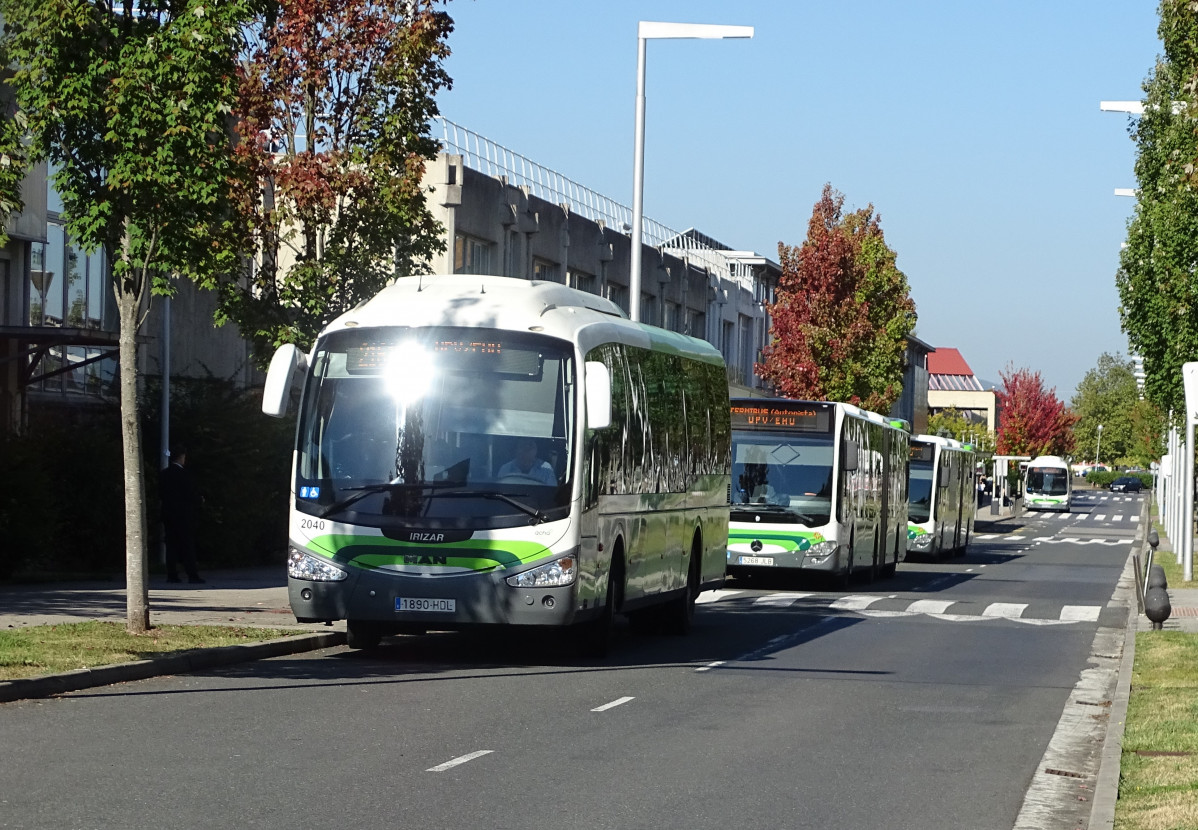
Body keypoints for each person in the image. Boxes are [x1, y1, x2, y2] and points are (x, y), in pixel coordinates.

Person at [160, 444, 204, 584]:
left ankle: (172, 574)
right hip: (184, 515)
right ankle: (192, 574)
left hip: (168, 514)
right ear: (182, 457)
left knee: (171, 544)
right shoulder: (185, 475)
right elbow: (191, 494)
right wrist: (199, 500)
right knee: (187, 545)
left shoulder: (164, 474)